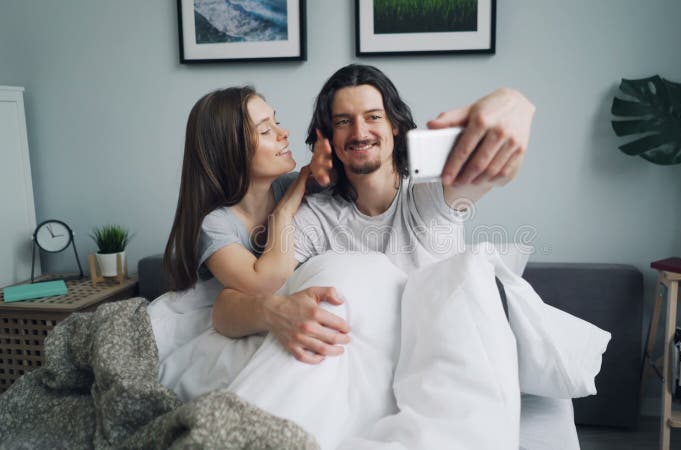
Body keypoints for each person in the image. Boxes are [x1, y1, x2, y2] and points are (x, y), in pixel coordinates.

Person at [213, 64, 535, 363]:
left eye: (373, 117)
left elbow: (499, 170)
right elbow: (225, 311)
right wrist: (274, 312)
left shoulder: (432, 196)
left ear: (394, 125)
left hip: (440, 358)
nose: (359, 132)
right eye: (343, 121)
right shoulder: (316, 216)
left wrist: (513, 103)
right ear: (328, 137)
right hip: (358, 366)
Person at [147, 86, 320, 398]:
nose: (283, 133)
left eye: (276, 122)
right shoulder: (215, 224)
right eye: (266, 130)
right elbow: (263, 282)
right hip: (220, 319)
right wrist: (285, 211)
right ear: (231, 150)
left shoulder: (290, 186)